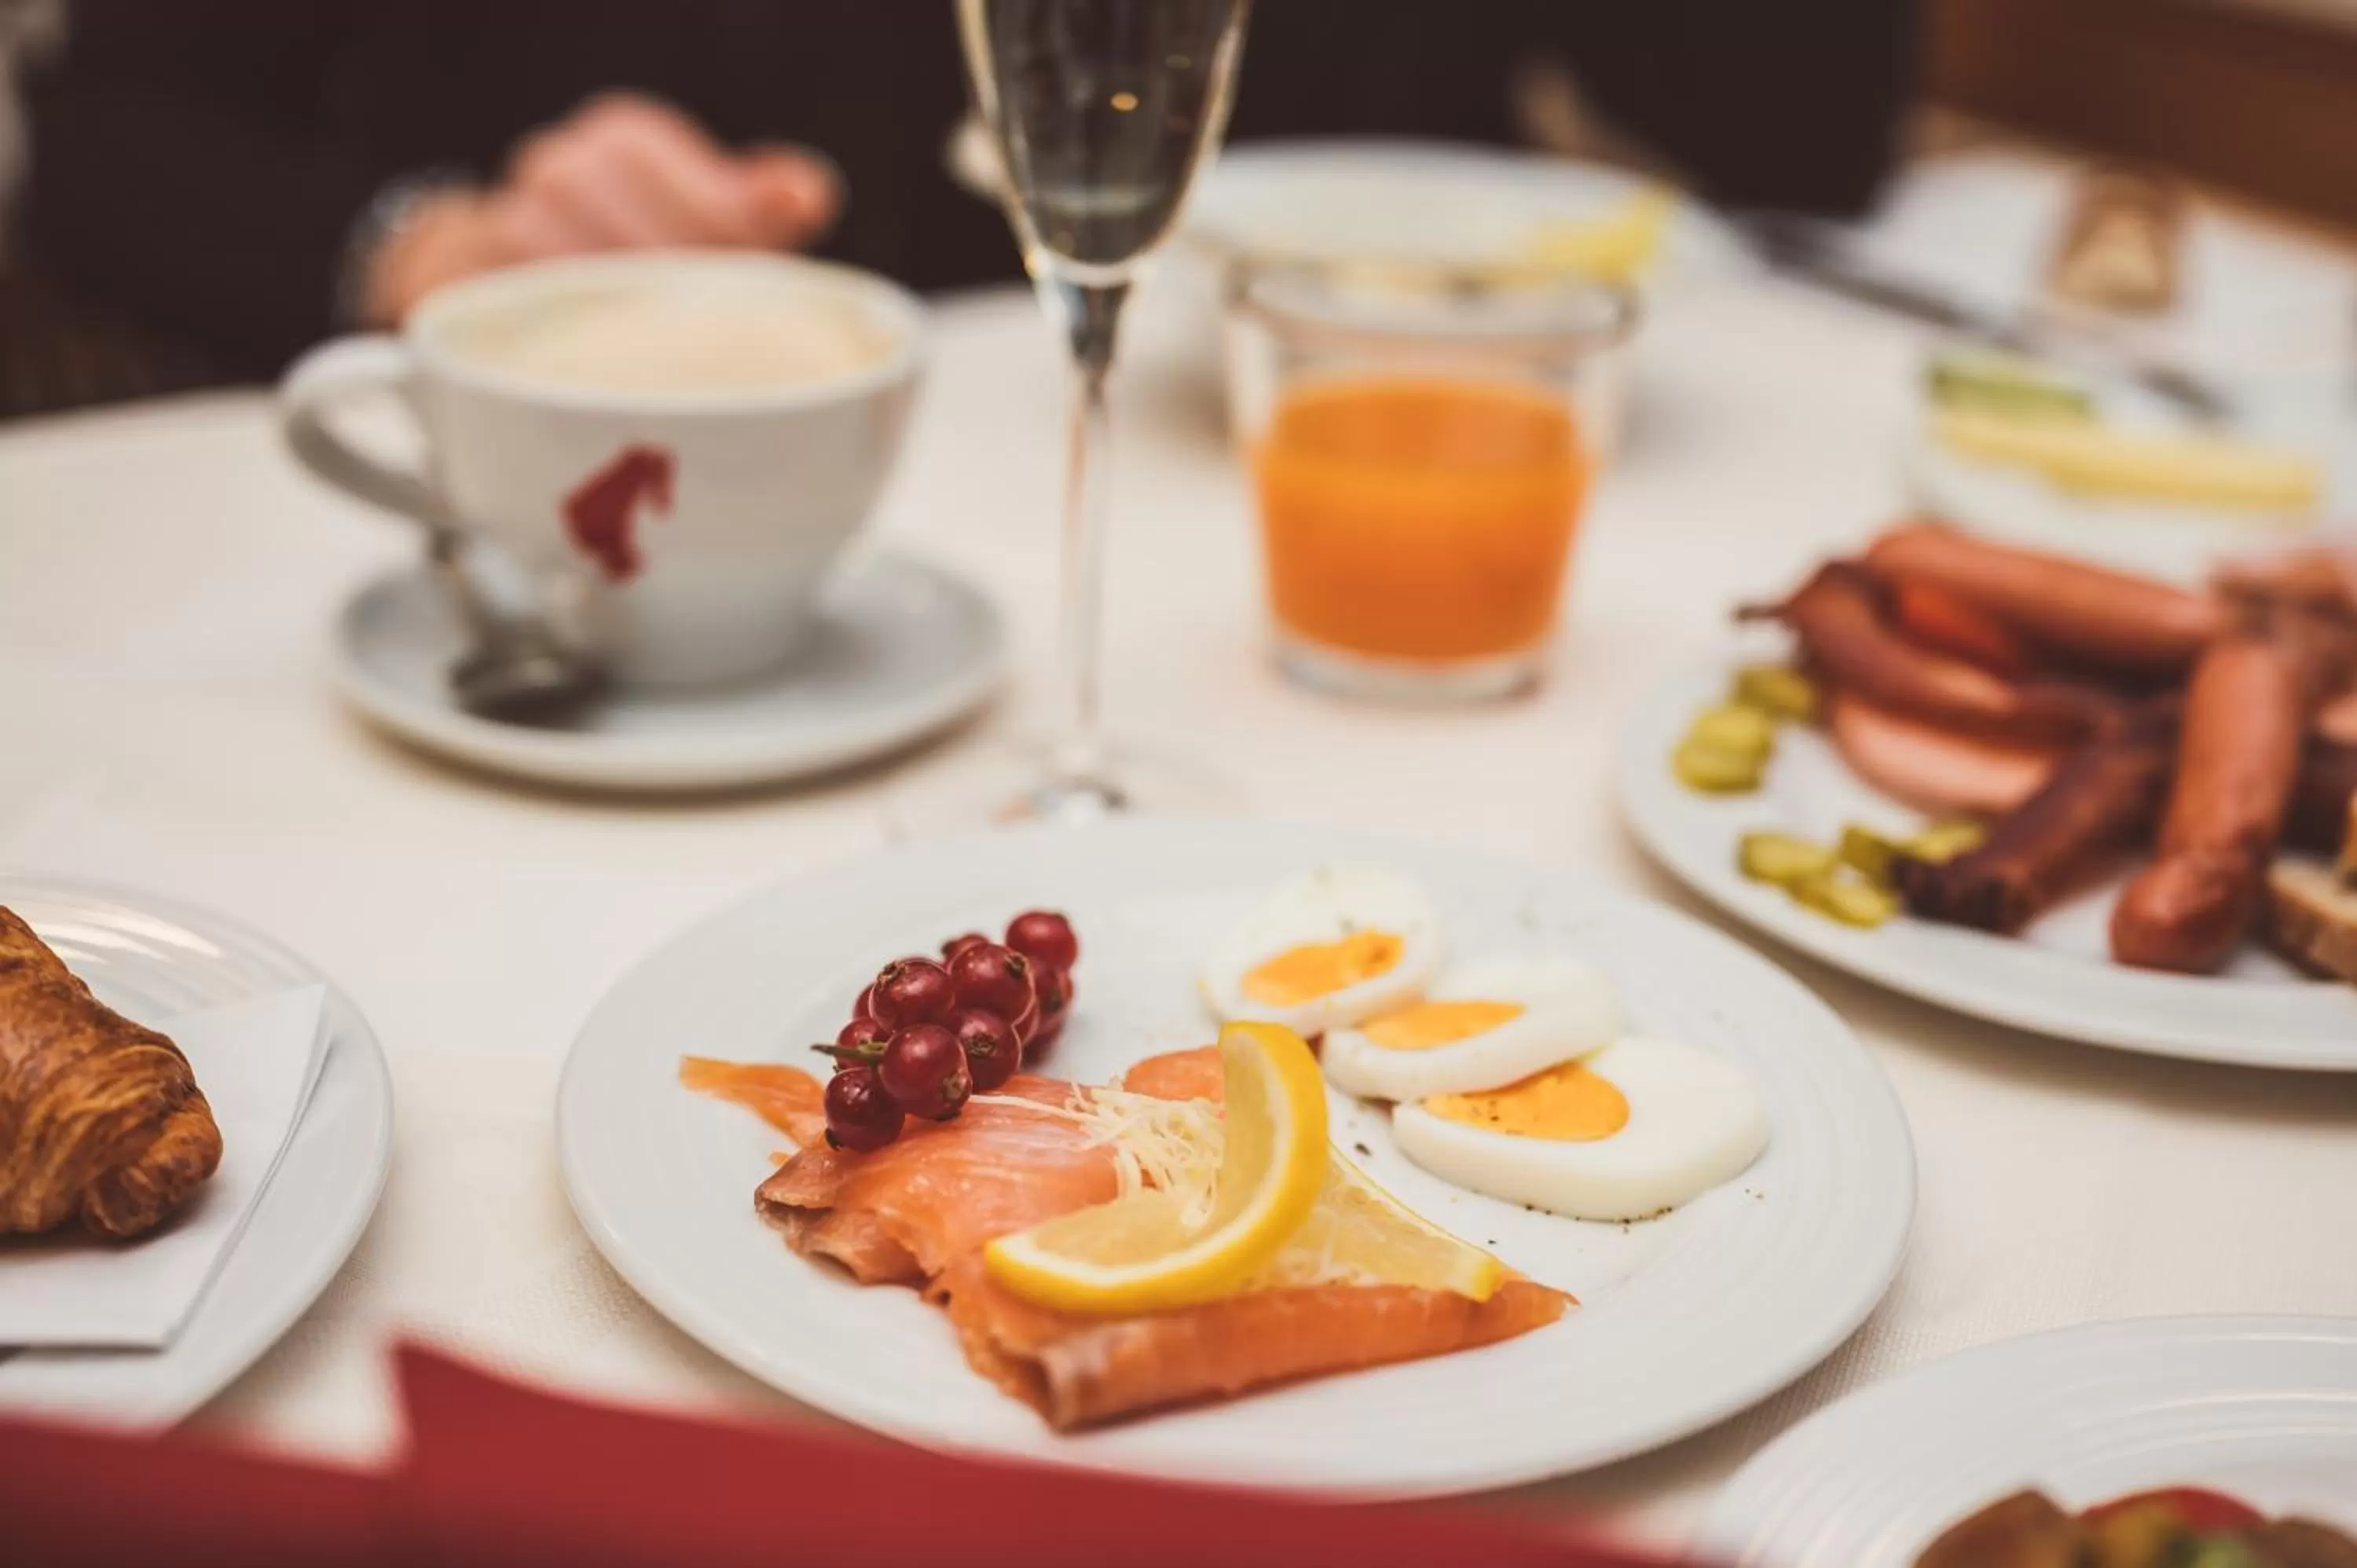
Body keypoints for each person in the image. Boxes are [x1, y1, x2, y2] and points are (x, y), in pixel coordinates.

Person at [9, 1, 1918, 410]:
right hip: (631, 508)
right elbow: (108, 136)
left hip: (1277, 470)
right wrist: (432, 246)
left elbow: (1805, 132)